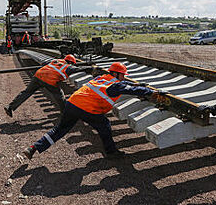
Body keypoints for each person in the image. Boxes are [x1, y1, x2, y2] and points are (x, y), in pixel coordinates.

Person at [22, 62, 162, 160]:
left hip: (72, 104)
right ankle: (111, 152)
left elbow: (125, 84)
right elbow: (130, 89)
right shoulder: (115, 85)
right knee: (104, 126)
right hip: (87, 109)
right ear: (116, 74)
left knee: (60, 129)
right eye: (122, 75)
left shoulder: (103, 78)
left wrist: (139, 84)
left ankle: (33, 148)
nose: (124, 77)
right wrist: (149, 92)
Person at [4, 54, 93, 116]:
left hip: (38, 76)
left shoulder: (56, 61)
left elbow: (43, 64)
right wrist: (91, 68)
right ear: (72, 62)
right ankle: (65, 113)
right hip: (49, 80)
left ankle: (10, 107)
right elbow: (80, 69)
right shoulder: (68, 67)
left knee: (26, 92)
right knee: (60, 95)